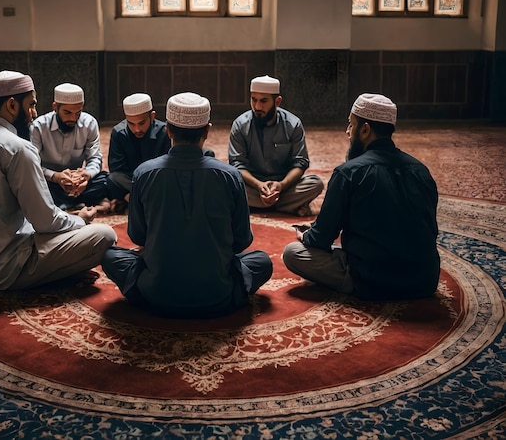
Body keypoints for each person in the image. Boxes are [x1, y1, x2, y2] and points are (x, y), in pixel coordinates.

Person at [102, 92, 273, 318]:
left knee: (110, 257)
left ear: (168, 130)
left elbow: (138, 236)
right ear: (207, 130)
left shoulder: (143, 174)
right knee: (261, 261)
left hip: (155, 293)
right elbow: (242, 240)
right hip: (218, 293)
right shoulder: (230, 176)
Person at [0, 70, 117, 290]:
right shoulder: (16, 147)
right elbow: (46, 222)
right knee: (104, 236)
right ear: (11, 105)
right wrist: (81, 220)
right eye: (31, 105)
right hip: (5, 268)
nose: (34, 113)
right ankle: (52, 278)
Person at [282, 93, 440, 300]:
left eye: (351, 125)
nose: (348, 132)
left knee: (293, 253)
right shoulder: (421, 170)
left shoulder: (348, 172)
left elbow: (321, 239)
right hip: (423, 281)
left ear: (365, 129)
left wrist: (306, 236)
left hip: (372, 278)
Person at [229, 75, 324, 215]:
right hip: (252, 186)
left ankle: (256, 206)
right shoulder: (240, 125)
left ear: (277, 101)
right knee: (226, 185)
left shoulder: (293, 124)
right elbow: (237, 164)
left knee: (316, 183)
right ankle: (286, 206)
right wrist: (258, 185)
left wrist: (281, 185)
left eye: (263, 101)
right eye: (253, 100)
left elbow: (300, 162)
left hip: (284, 187)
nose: (257, 106)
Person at [30, 83, 110, 213]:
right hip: (50, 182)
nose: (73, 118)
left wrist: (86, 176)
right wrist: (55, 176)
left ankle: (64, 203)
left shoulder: (89, 123)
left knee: (106, 180)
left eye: (78, 113)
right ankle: (79, 202)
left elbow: (95, 158)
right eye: (67, 113)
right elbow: (33, 164)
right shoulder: (38, 127)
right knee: (33, 185)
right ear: (55, 107)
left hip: (78, 183)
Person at [106, 93, 170, 211]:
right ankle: (142, 202)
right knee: (111, 179)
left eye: (141, 123)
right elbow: (116, 170)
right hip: (133, 182)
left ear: (152, 116)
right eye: (131, 123)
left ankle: (135, 202)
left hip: (156, 182)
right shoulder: (119, 133)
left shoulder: (164, 132)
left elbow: (169, 167)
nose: (137, 129)